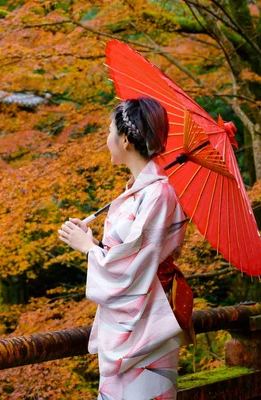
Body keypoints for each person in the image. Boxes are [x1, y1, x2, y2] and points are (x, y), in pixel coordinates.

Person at [58, 97, 194, 400]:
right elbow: (132, 257)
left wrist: (88, 250)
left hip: (147, 325)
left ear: (125, 139)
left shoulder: (158, 194)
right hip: (129, 319)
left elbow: (135, 266)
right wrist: (93, 243)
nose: (107, 140)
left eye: (109, 132)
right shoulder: (139, 191)